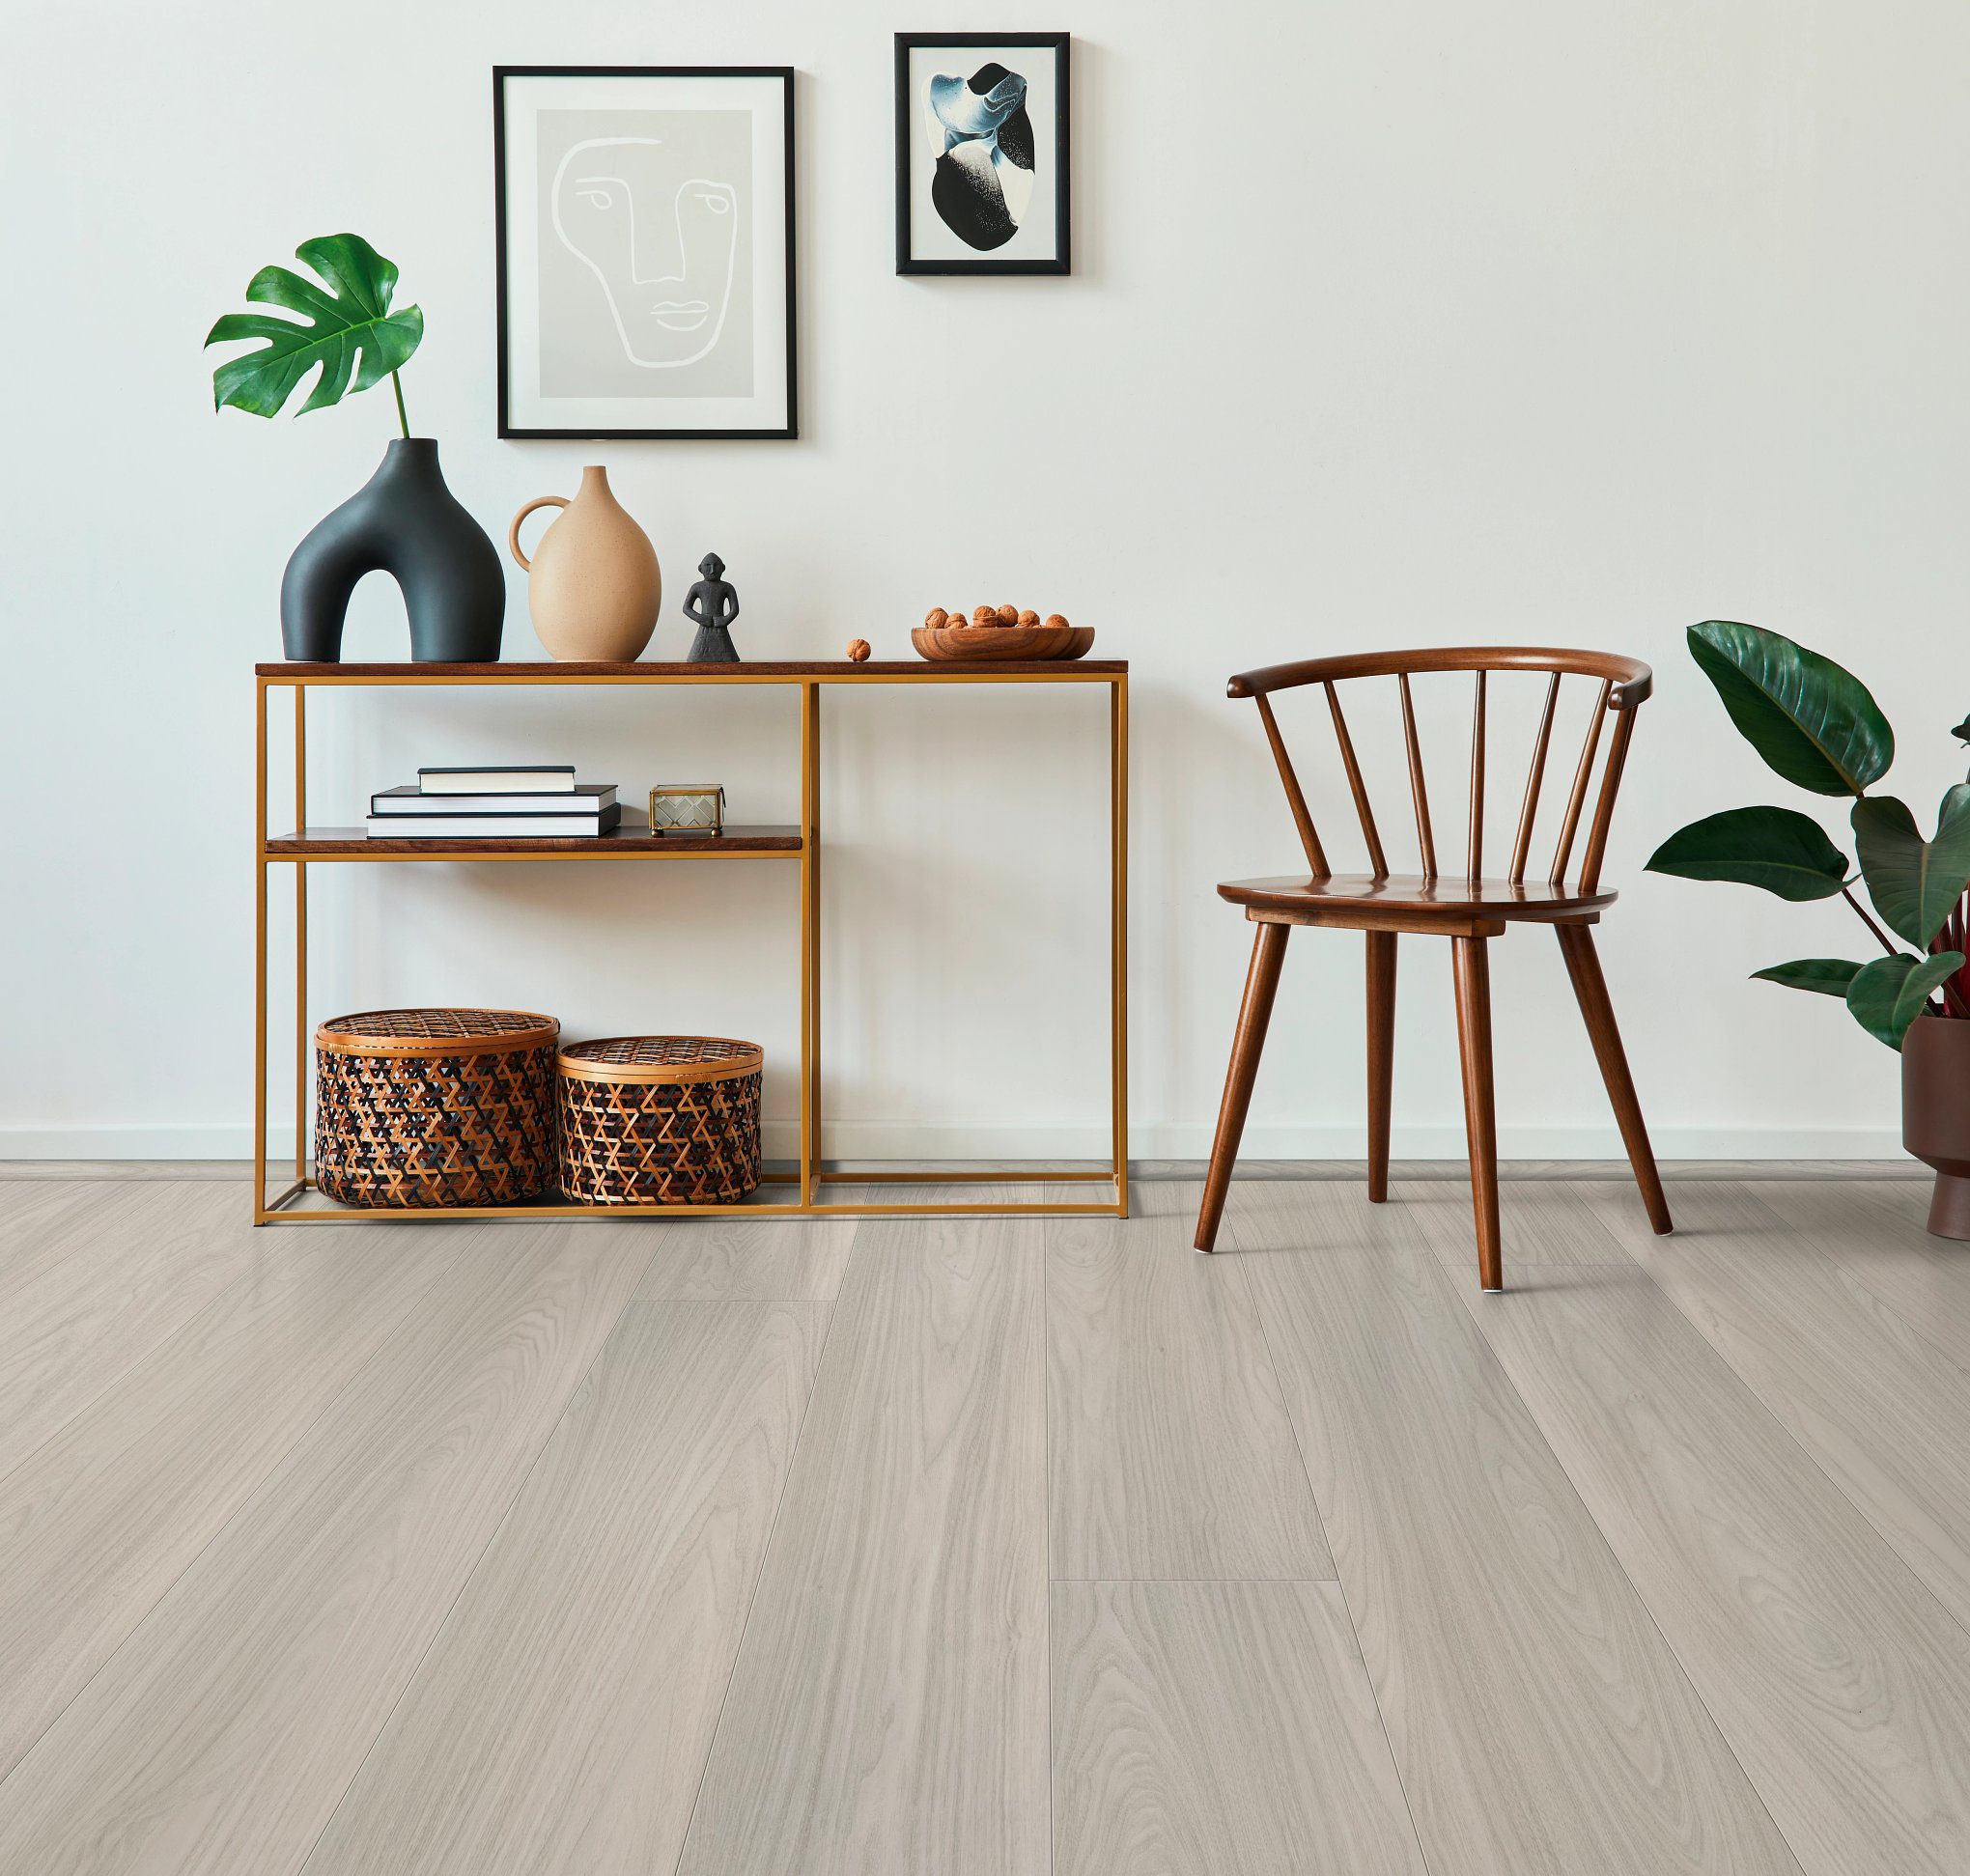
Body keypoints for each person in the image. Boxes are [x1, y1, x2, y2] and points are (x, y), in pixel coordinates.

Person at [683, 553, 741, 661]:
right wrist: (700, 618)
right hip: (705, 626)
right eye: (708, 565)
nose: (712, 570)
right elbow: (686, 608)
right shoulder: (697, 587)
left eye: (716, 566)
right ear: (700, 568)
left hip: (720, 626)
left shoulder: (727, 587)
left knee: (726, 656)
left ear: (723, 568)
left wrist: (725, 620)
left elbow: (735, 609)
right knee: (699, 655)